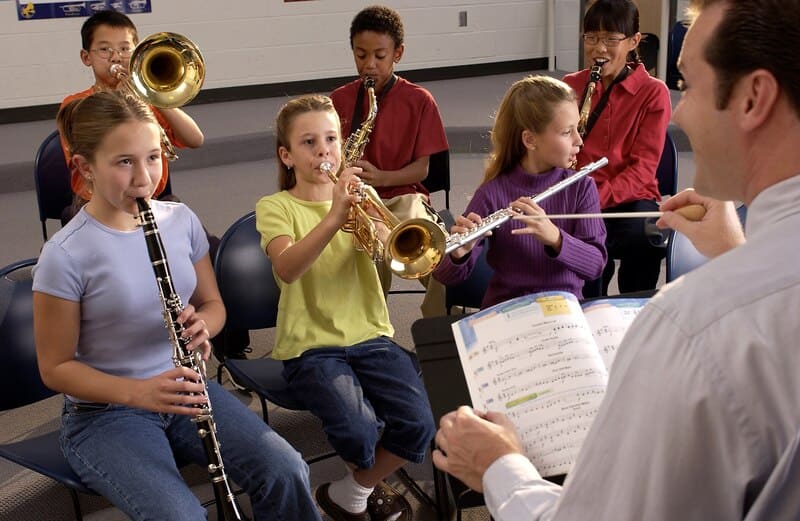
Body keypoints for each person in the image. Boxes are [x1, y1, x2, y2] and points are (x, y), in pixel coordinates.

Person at [432, 0, 800, 519]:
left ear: (754, 97)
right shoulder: (497, 190)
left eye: (688, 86)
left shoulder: (687, 326)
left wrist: (500, 467)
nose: (679, 112)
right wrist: (734, 258)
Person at [33, 90, 322, 521]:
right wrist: (140, 392)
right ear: (83, 167)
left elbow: (213, 305)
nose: (144, 178)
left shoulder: (179, 220)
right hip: (105, 414)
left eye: (153, 157)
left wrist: (203, 324)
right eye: (124, 161)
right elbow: (54, 367)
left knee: (286, 469)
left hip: (185, 388)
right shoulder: (66, 254)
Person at [256, 94, 436, 521]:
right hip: (311, 344)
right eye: (309, 142)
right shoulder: (276, 207)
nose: (324, 151)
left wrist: (376, 224)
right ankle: (371, 489)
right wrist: (334, 216)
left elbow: (393, 257)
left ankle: (352, 490)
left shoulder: (362, 195)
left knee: (420, 423)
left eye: (331, 139)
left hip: (371, 334)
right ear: (287, 156)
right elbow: (288, 268)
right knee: (359, 429)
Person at [432, 75, 606, 308]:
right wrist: (459, 253)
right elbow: (446, 277)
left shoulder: (581, 187)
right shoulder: (493, 193)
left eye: (578, 129)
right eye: (567, 132)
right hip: (508, 311)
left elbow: (595, 265)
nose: (579, 141)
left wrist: (555, 238)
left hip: (564, 310)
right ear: (530, 140)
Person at [330, 4, 449, 315]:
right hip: (358, 202)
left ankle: (439, 320)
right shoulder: (337, 101)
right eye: (360, 54)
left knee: (445, 255)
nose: (369, 65)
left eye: (379, 56)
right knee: (372, 252)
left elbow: (422, 169)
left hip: (405, 195)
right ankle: (373, 329)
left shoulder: (419, 100)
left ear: (398, 53)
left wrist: (381, 178)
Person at [563, 0, 672, 296]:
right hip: (580, 196)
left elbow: (643, 169)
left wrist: (596, 198)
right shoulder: (570, 86)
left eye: (611, 39)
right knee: (577, 250)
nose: (600, 49)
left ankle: (634, 312)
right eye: (592, 38)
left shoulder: (653, 92)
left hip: (632, 197)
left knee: (644, 238)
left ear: (634, 41)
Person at [59, 10, 203, 210]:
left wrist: (153, 96)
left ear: (136, 53)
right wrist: (117, 100)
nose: (116, 57)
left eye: (125, 48)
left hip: (151, 197)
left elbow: (195, 139)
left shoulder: (146, 102)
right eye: (104, 49)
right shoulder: (76, 104)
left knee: (202, 239)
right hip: (98, 203)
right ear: (86, 57)